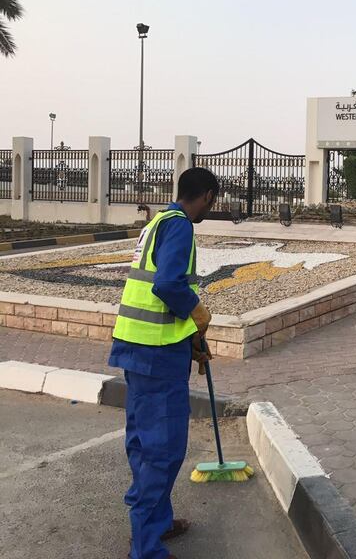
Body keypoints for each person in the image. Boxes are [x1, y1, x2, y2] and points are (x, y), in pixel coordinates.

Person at [109, 167, 219, 559]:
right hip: (156, 357)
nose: (211, 206)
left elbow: (154, 288)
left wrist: (188, 338)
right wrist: (197, 313)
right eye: (213, 200)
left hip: (139, 348)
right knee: (163, 447)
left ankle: (155, 521)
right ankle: (146, 548)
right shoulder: (181, 227)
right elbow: (168, 284)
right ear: (206, 195)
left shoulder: (157, 221)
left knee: (143, 441)